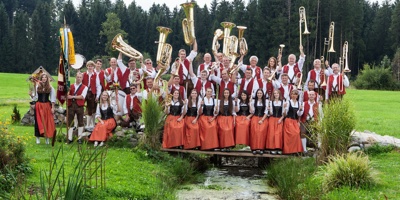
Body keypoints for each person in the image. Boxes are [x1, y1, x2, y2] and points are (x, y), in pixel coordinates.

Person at [30, 73, 56, 144]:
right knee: (38, 121)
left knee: (47, 122)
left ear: (47, 79)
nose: (44, 79)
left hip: (47, 106)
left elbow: (53, 99)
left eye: (45, 77)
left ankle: (47, 138)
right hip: (39, 106)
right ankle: (37, 138)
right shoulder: (37, 86)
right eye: (42, 77)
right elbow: (35, 97)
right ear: (41, 79)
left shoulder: (50, 87)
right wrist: (31, 96)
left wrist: (52, 108)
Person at [67, 73, 88, 144]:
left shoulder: (85, 87)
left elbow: (82, 97)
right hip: (71, 105)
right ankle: (70, 138)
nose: (79, 78)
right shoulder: (71, 86)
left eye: (80, 77)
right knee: (70, 121)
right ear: (75, 77)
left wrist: (72, 97)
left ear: (82, 78)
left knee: (80, 121)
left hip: (79, 105)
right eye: (78, 77)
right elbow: (67, 95)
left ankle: (79, 138)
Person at [282, 90, 304, 154]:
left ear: (297, 96)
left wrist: (300, 109)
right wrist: (284, 109)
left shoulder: (299, 103)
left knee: (296, 133)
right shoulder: (288, 102)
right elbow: (285, 114)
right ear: (291, 95)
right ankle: (289, 150)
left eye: (295, 94)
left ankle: (295, 150)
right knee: (291, 135)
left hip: (295, 121)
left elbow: (299, 114)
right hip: (289, 120)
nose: (294, 96)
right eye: (293, 94)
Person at [82, 61, 102, 130]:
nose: (90, 67)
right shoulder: (83, 74)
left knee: (92, 109)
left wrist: (97, 96)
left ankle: (91, 124)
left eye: (91, 66)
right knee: (79, 107)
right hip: (84, 93)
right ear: (87, 66)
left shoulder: (95, 75)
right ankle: (81, 124)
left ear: (93, 67)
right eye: (89, 66)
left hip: (92, 93)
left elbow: (98, 86)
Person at [250, 89, 269, 155]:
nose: (259, 94)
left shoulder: (266, 101)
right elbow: (252, 112)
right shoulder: (253, 101)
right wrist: (250, 105)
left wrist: (262, 120)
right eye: (258, 93)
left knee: (261, 132)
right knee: (254, 132)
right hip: (255, 117)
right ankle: (254, 148)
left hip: (262, 118)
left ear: (262, 94)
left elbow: (266, 112)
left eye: (260, 93)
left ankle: (261, 148)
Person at [266, 89, 285, 154]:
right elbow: (270, 113)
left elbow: (284, 113)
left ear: (279, 94)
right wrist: (269, 110)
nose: (276, 95)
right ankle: (272, 148)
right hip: (272, 119)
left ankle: (278, 148)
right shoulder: (271, 102)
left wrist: (281, 119)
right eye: (275, 93)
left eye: (277, 93)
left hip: (279, 119)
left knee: (278, 133)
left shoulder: (282, 102)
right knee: (272, 133)